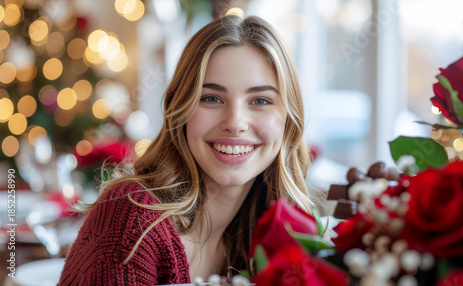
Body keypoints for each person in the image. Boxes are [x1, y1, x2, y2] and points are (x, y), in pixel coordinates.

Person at [58, 14, 313, 285]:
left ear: (288, 118)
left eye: (260, 100)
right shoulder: (133, 222)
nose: (235, 123)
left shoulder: (274, 235)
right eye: (211, 98)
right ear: (180, 110)